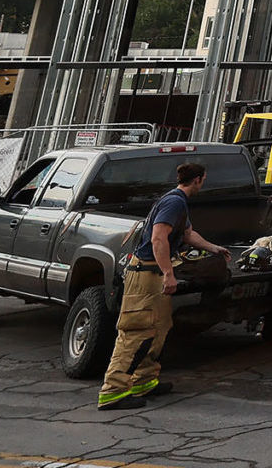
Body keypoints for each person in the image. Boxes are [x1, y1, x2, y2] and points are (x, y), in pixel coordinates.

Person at [99, 158, 227, 410]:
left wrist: (213, 248)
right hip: (146, 274)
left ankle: (143, 381)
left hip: (154, 275)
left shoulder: (178, 202)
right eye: (204, 180)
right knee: (136, 331)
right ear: (198, 180)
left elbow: (188, 234)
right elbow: (159, 239)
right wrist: (169, 274)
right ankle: (113, 391)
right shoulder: (174, 202)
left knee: (158, 328)